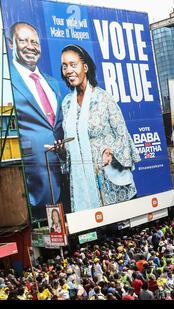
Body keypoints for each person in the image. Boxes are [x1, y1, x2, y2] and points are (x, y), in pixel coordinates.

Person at [59, 45, 141, 212]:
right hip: (83, 189)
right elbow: (71, 147)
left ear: (85, 67)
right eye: (64, 66)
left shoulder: (103, 98)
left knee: (121, 236)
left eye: (73, 64)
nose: (68, 70)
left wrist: (111, 151)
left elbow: (123, 135)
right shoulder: (66, 103)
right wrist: (62, 151)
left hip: (110, 185)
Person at [7, 21, 66, 219]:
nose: (31, 46)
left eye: (35, 42)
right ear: (11, 43)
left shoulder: (53, 82)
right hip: (31, 194)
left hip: (65, 182)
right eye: (24, 40)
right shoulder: (6, 80)